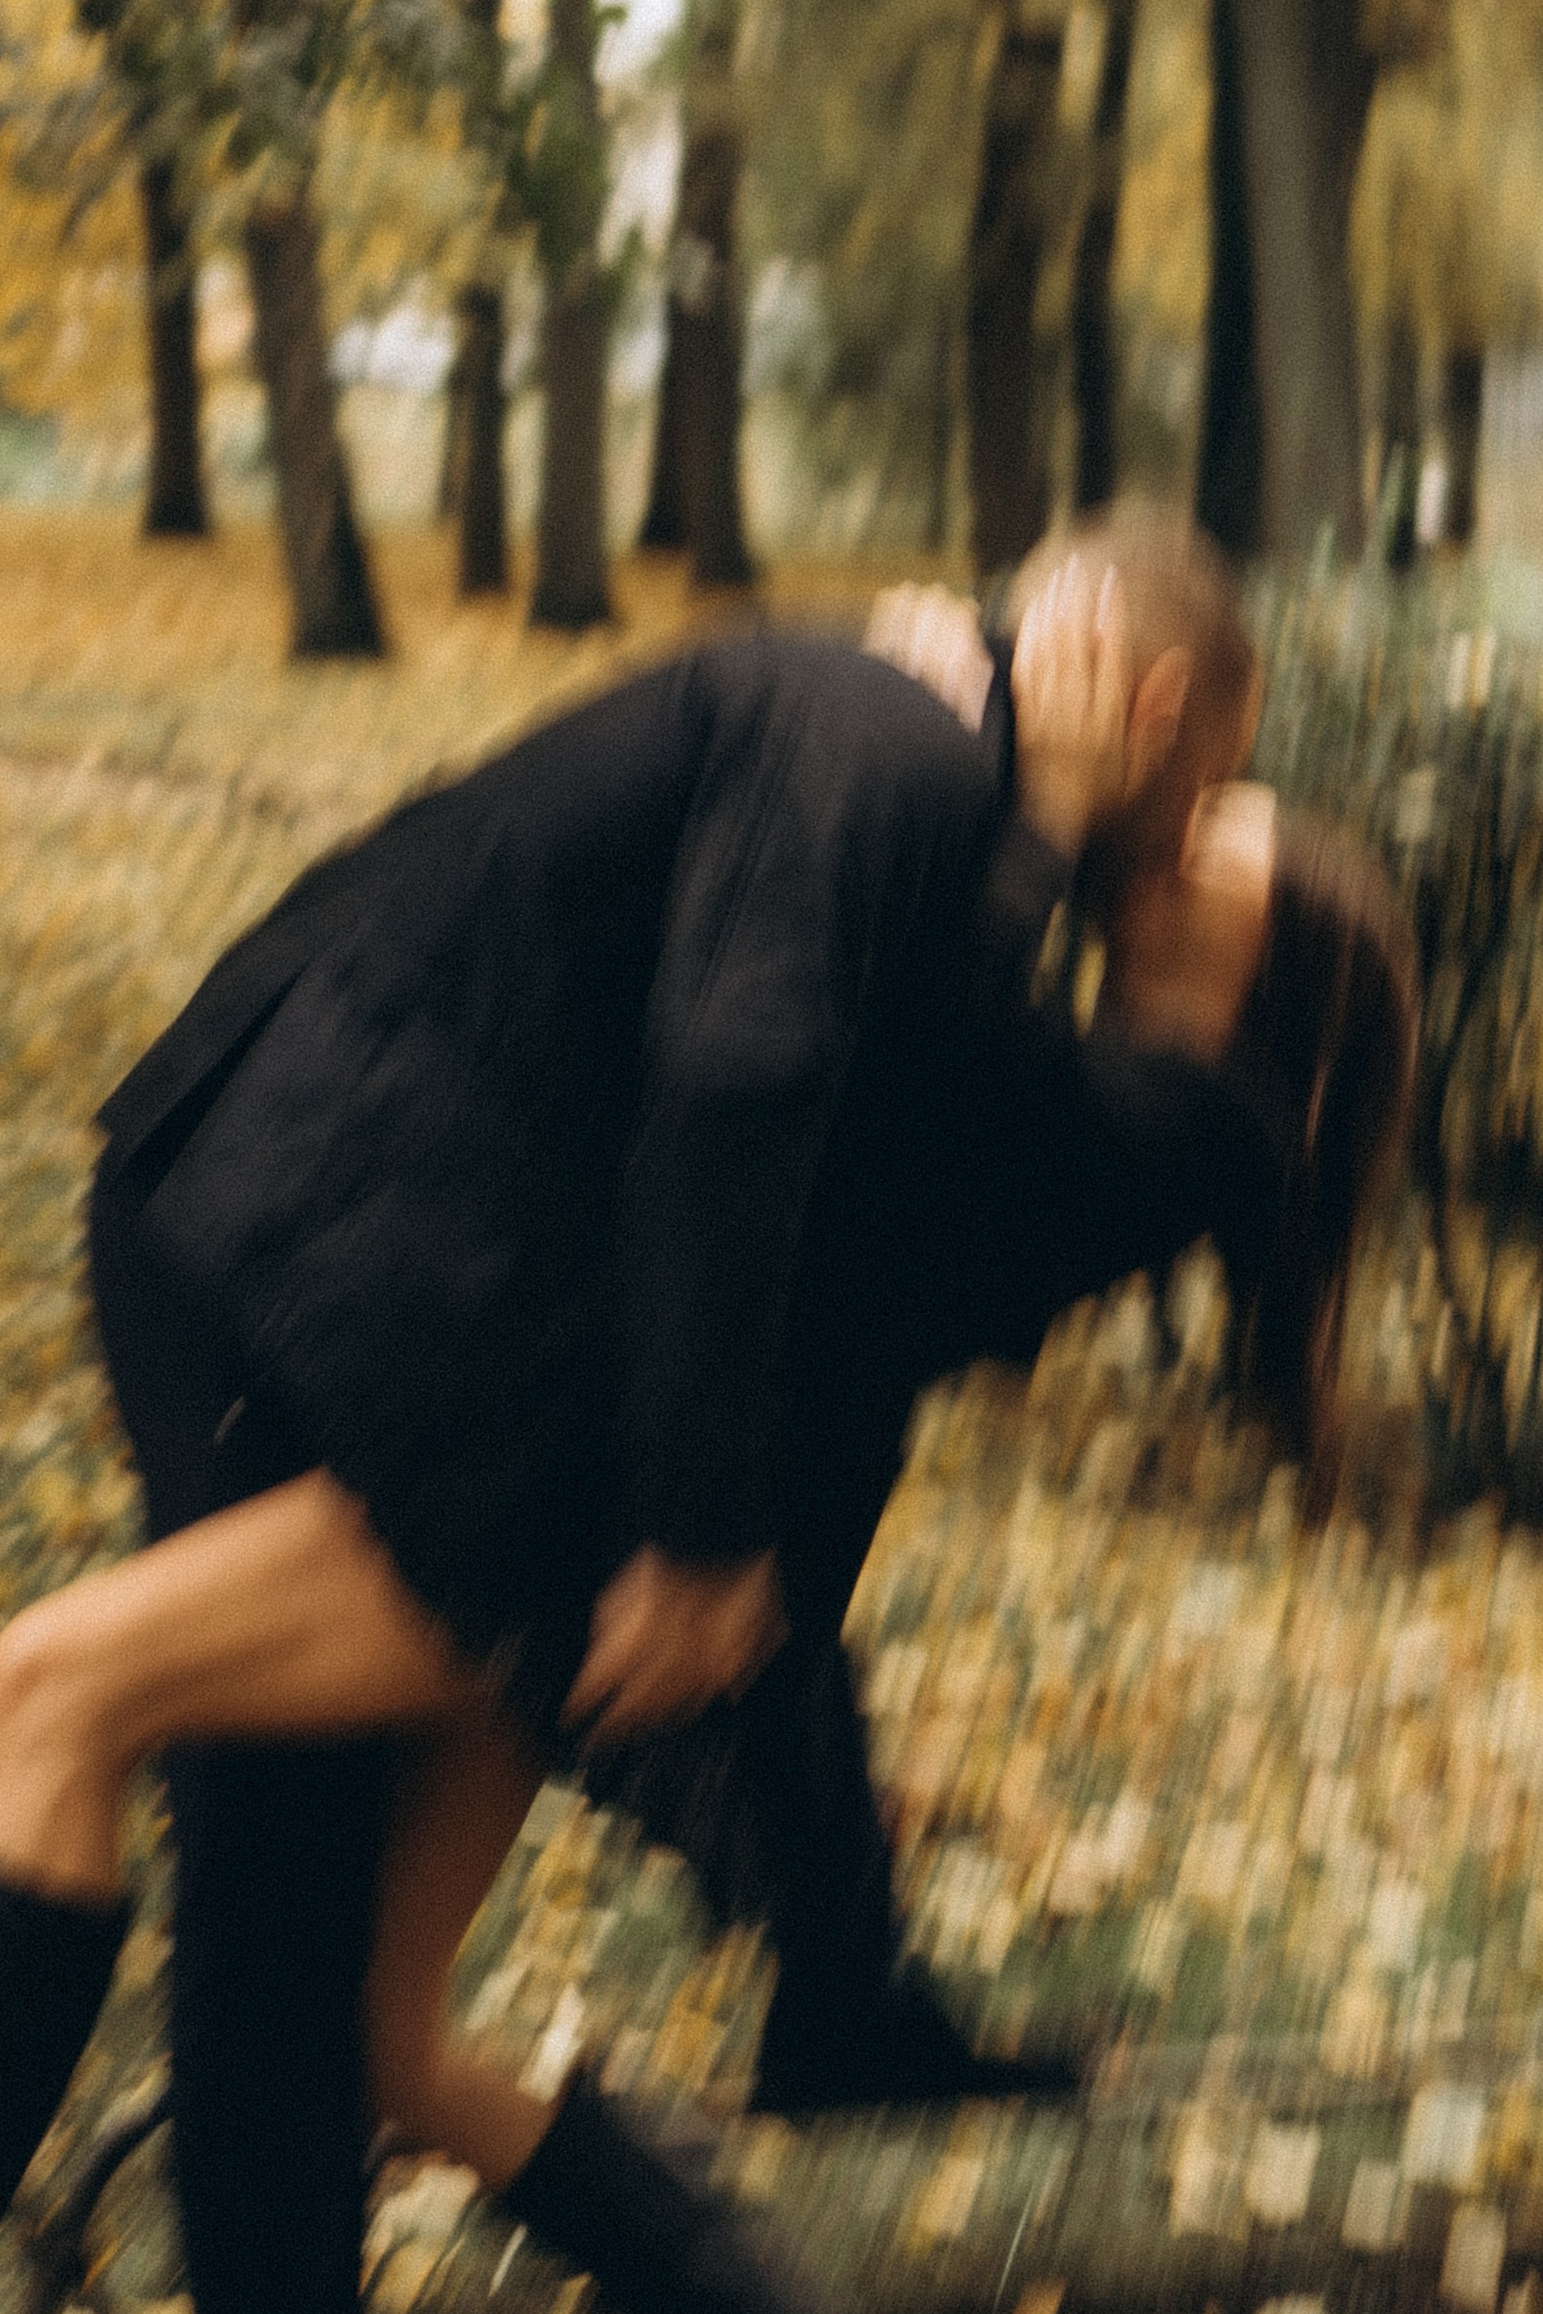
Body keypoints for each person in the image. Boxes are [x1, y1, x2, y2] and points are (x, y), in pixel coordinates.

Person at [0, 543, 1306, 2314]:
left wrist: (1025, 839)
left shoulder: (932, 808)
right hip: (326, 1280)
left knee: (313, 1987)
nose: (1181, 842)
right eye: (1209, 800)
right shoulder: (881, 741)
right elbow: (761, 1081)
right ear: (1156, 712)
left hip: (470, 1385)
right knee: (300, 1982)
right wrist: (707, 1535)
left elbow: (839, 1116)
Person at [609, 567, 1423, 2116]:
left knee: (737, 1674)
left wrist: (1039, 812)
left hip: (777, 1408)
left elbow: (931, 1067)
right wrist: (945, 729)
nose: (1179, 841)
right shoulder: (1123, 1049)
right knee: (781, 1700)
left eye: (1217, 851)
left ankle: (834, 1997)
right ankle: (844, 2006)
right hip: (791, 1397)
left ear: (1274, 979)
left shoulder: (1206, 1127)